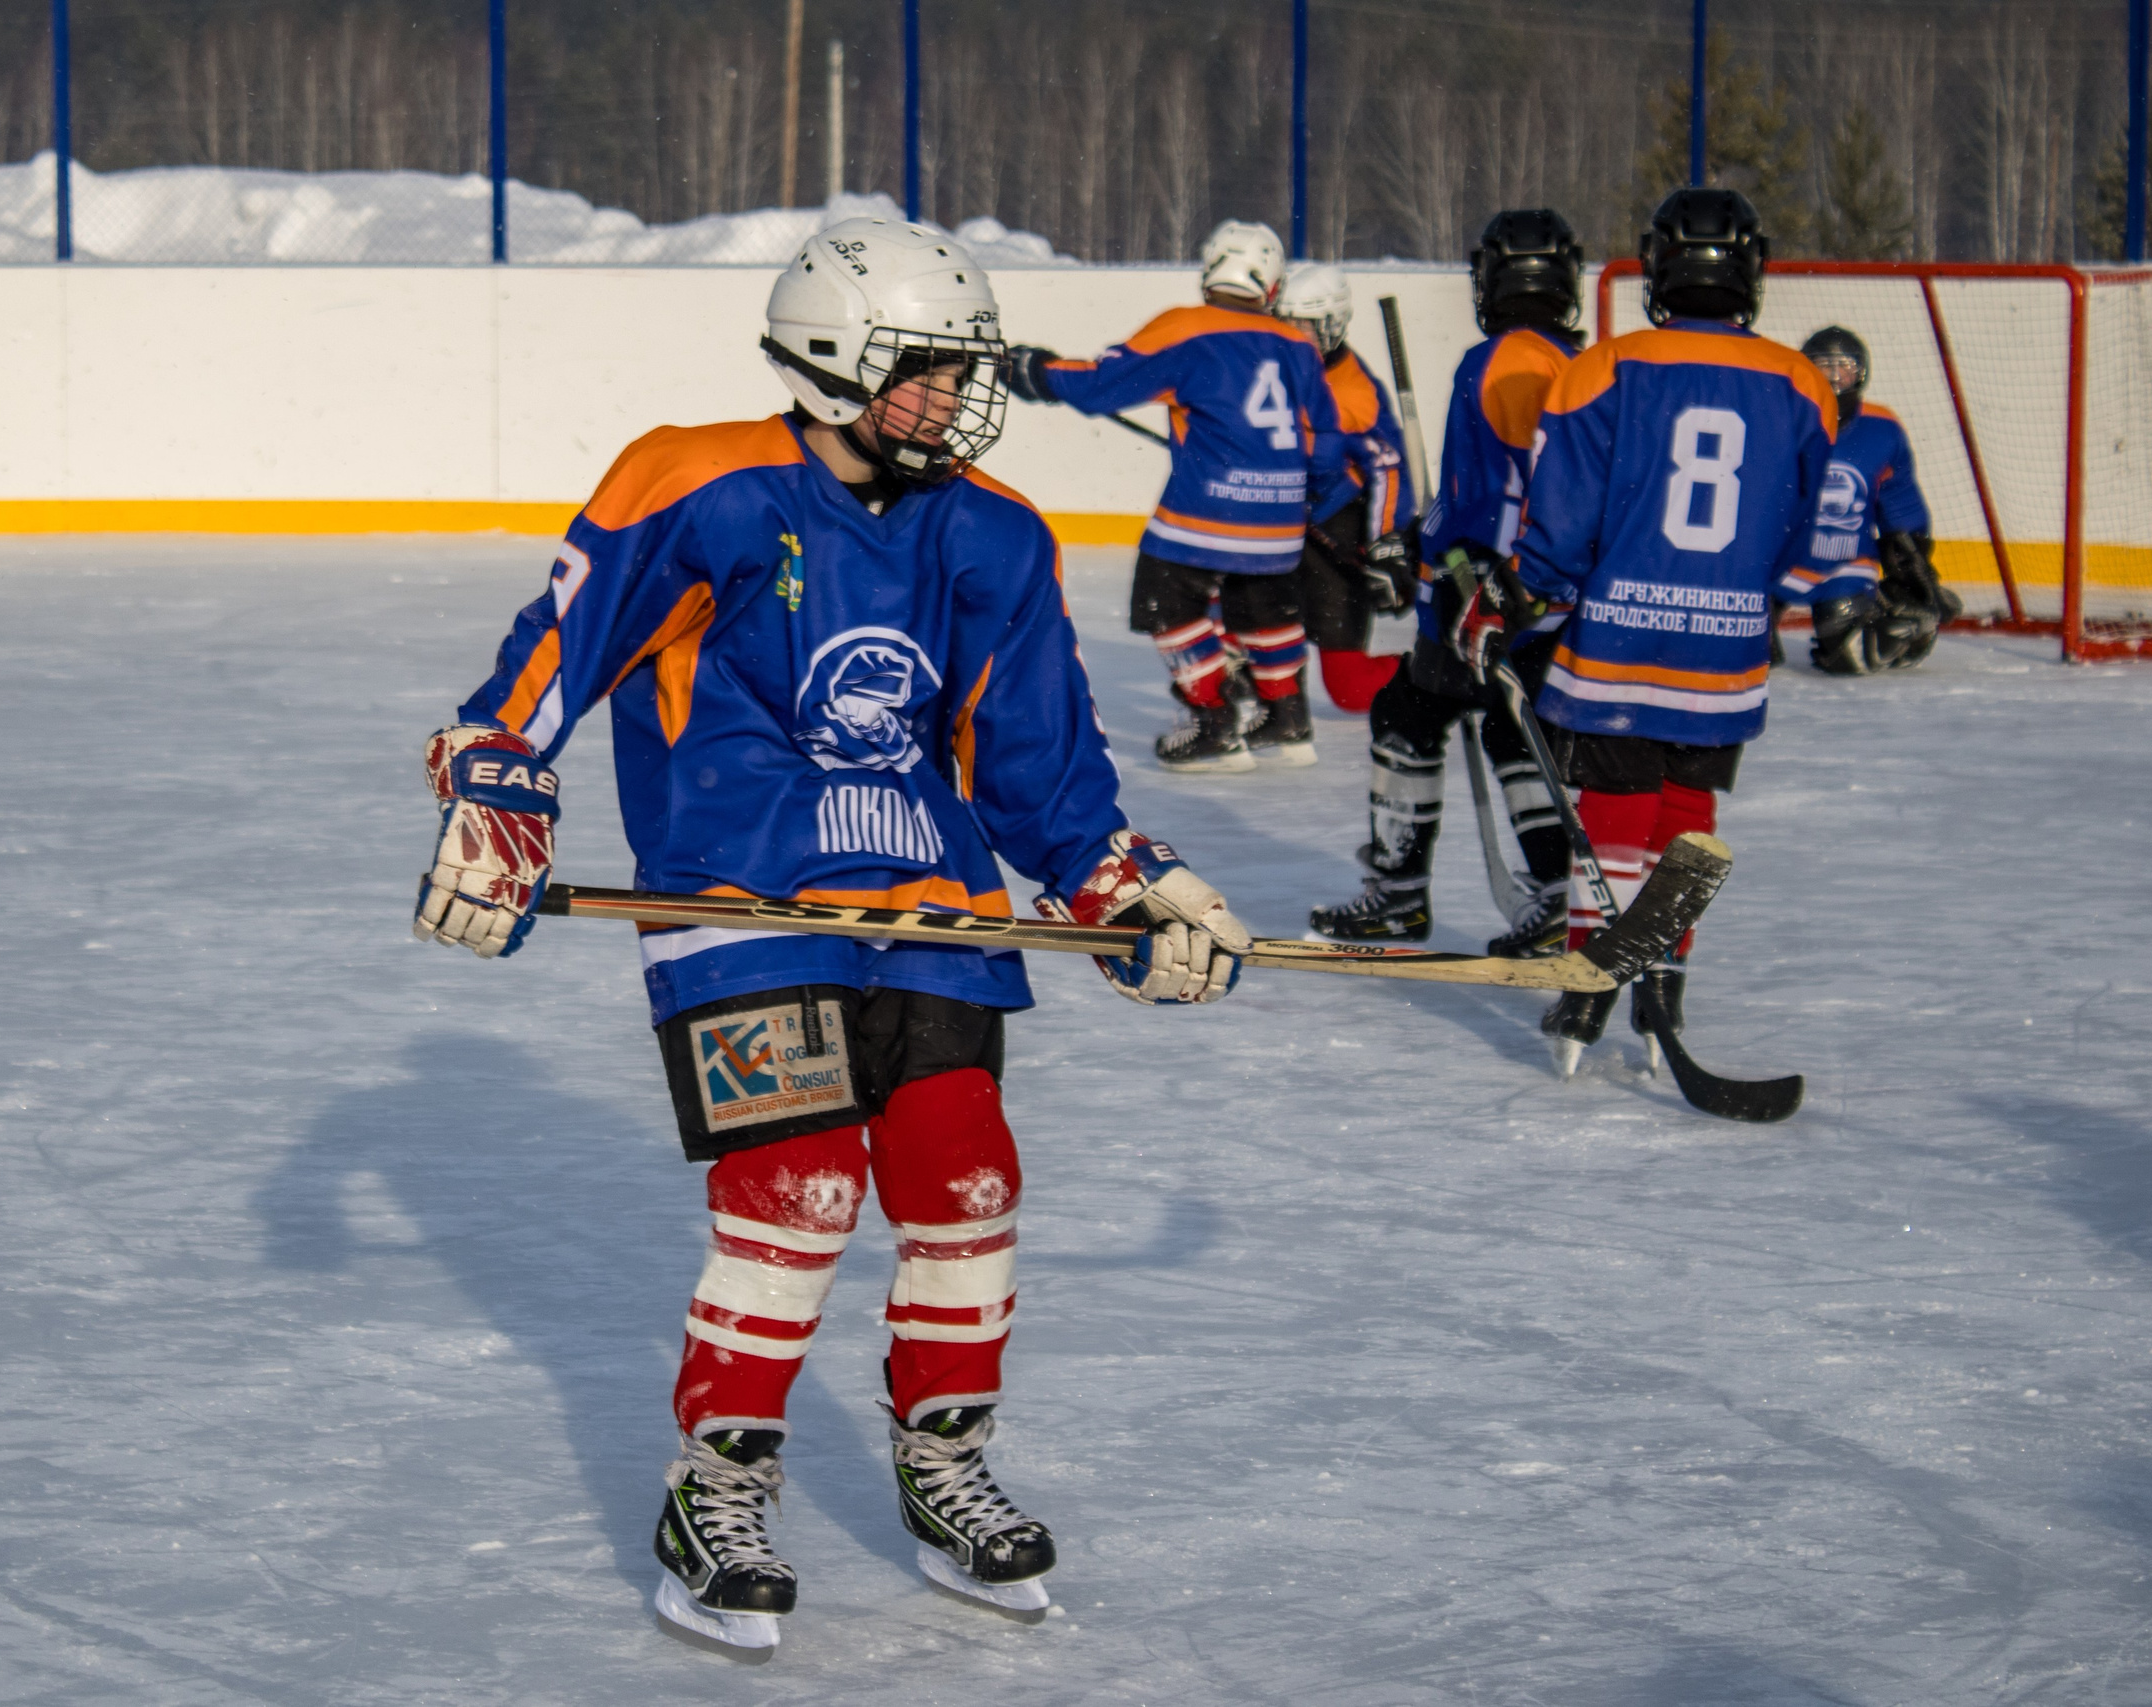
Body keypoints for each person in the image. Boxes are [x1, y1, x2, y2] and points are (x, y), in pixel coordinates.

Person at [411, 217, 1252, 1654]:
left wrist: (1117, 875)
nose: (962, 399)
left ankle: (944, 1459)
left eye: (968, 370)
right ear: (835, 361)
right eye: (932, 370)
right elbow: (559, 646)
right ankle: (717, 1483)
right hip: (741, 905)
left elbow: (1036, 757)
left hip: (932, 906)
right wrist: (501, 775)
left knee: (967, 1177)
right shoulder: (702, 482)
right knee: (797, 1191)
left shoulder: (991, 530)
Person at [1509, 188, 1865, 1074]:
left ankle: (1591, 983)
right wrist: (1753, 593)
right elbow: (1803, 522)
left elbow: (1558, 520)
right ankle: (1664, 978)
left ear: (1657, 263)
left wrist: (1533, 588)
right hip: (1728, 644)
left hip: (1619, 639)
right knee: (1686, 815)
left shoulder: (1604, 367)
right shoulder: (1801, 381)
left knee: (1616, 811)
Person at [1309, 210, 1585, 954]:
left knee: (1422, 711)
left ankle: (1407, 895)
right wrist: (1414, 540)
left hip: (1491, 597)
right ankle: (1557, 892)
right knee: (1501, 723)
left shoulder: (1493, 361)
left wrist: (1452, 572)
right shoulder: (1575, 365)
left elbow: (1495, 499)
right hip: (1540, 592)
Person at [1004, 220, 1346, 771]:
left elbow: (1100, 385)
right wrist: (1303, 496)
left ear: (1210, 271)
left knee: (1165, 600)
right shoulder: (1297, 346)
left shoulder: (1187, 328)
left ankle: (1213, 720)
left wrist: (1039, 372)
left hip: (1206, 508)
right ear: (1273, 288)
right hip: (1281, 518)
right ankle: (1287, 716)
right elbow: (1328, 437)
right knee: (1263, 606)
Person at [1274, 260, 1418, 715]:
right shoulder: (1268, 372)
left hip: (1336, 529)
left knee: (1351, 690)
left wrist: (1386, 542)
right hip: (1275, 525)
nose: (1297, 339)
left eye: (1307, 328)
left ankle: (1435, 676)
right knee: (1244, 625)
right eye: (1288, 326)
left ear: (1333, 325)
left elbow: (1391, 469)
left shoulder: (1355, 393)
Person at [1794, 325, 1961, 673]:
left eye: (1843, 367)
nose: (1833, 377)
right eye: (1822, 366)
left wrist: (1911, 558)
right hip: (1778, 559)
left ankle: (1910, 626)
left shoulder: (1881, 428)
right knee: (1740, 649)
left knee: (1848, 656)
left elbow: (1900, 500)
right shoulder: (1781, 419)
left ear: (1861, 373)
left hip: (1845, 562)